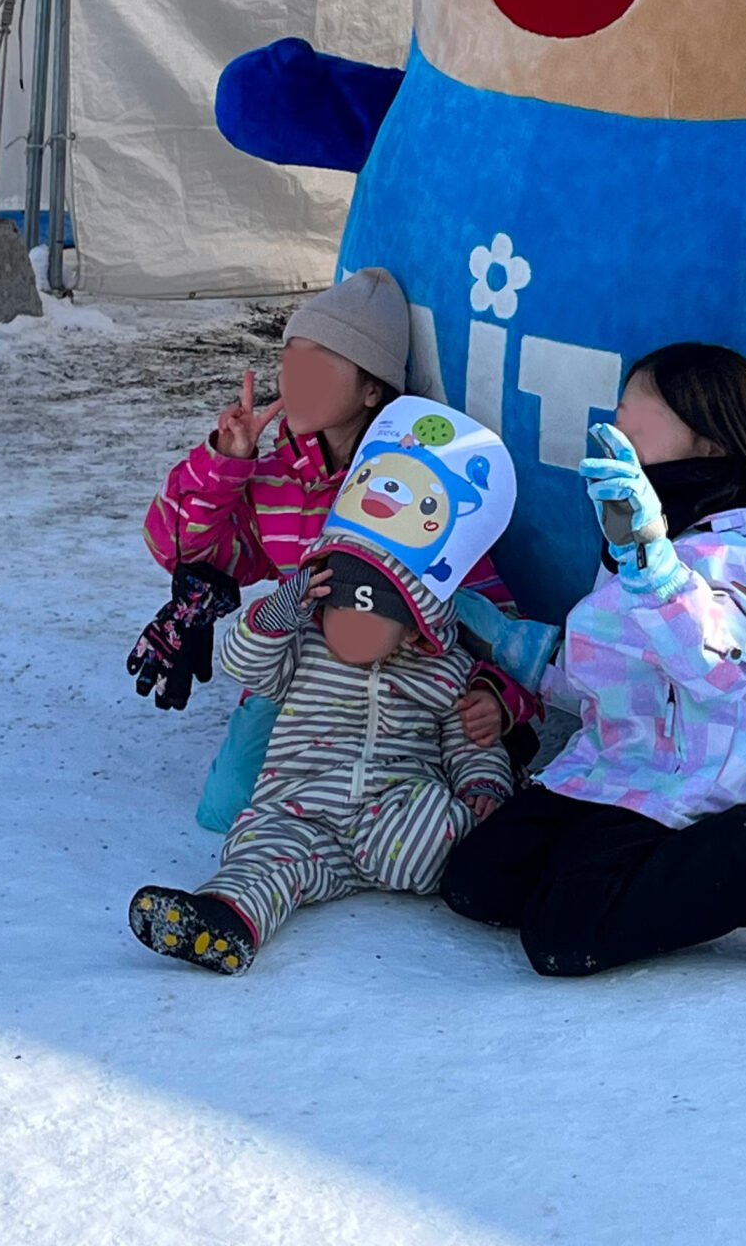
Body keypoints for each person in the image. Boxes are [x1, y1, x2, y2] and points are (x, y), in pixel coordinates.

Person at [440, 343, 746, 975]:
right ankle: (633, 866)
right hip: (620, 764)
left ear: (710, 440)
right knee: (478, 881)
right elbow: (611, 670)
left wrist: (655, 566)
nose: (614, 429)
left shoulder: (745, 555)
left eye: (632, 414)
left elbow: (718, 663)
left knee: (564, 936)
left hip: (703, 773)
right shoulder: (641, 539)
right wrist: (498, 637)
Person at [128, 267, 532, 824]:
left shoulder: (418, 486)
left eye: (320, 361)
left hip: (411, 687)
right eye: (290, 358)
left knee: (446, 814)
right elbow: (183, 548)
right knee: (226, 812)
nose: (295, 377)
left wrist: (500, 698)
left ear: (373, 388)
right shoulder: (273, 481)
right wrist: (225, 462)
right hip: (307, 685)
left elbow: (494, 616)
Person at [129, 418, 519, 976]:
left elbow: (470, 742)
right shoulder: (304, 647)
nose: (347, 622)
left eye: (371, 611)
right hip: (300, 808)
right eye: (337, 604)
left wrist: (484, 784)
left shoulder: (443, 672)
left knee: (435, 827)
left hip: (393, 807)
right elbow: (243, 661)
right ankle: (223, 921)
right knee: (263, 854)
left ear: (414, 626)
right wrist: (285, 610)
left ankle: (461, 849)